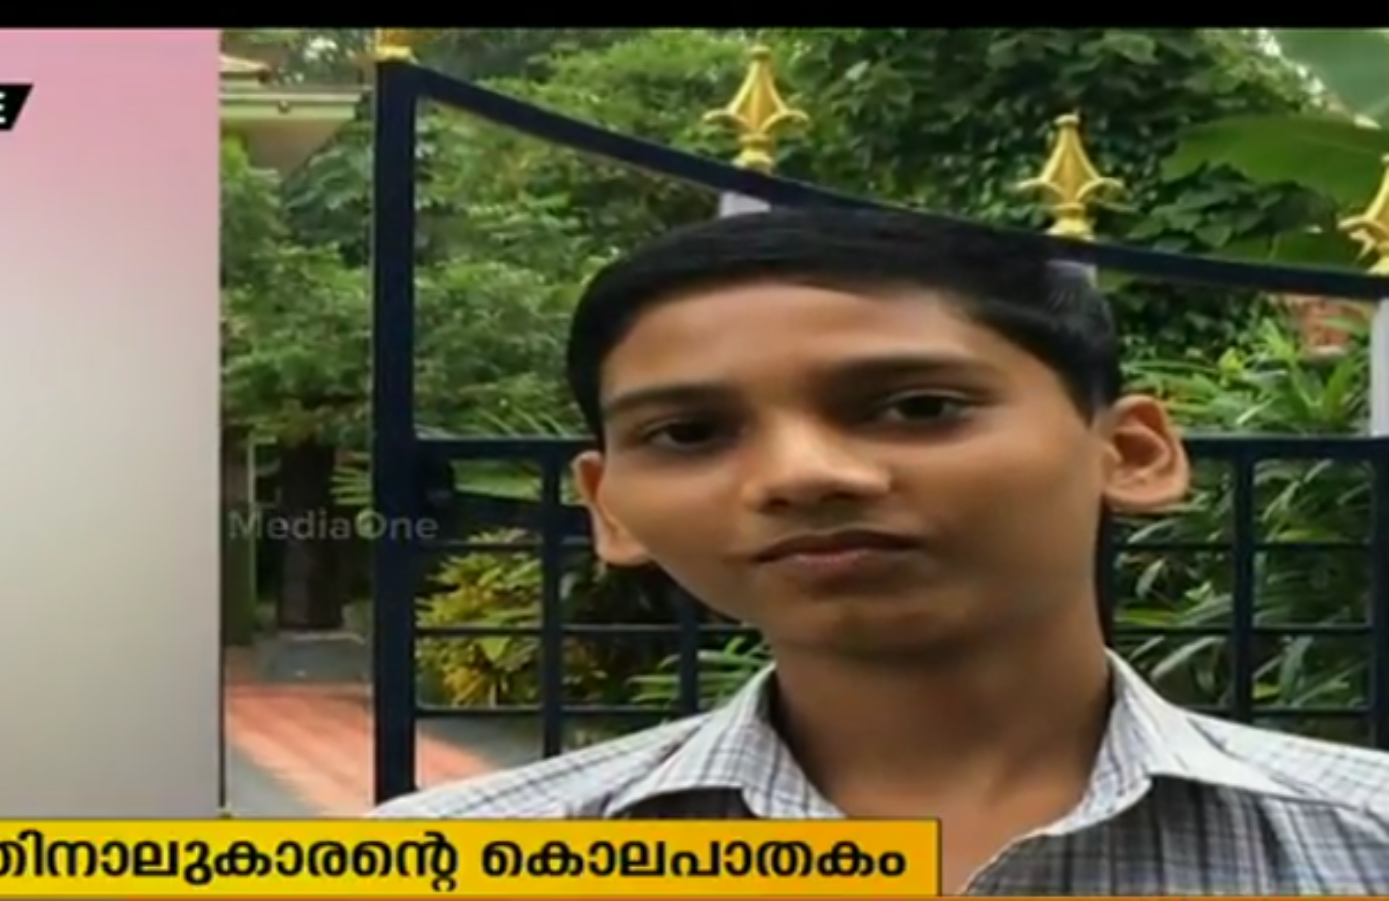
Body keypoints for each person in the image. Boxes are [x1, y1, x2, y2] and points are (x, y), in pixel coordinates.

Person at [370, 208, 1389, 893]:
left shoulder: (1358, 840)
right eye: (688, 432)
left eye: (917, 407)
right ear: (613, 507)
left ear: (1131, 453)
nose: (802, 474)